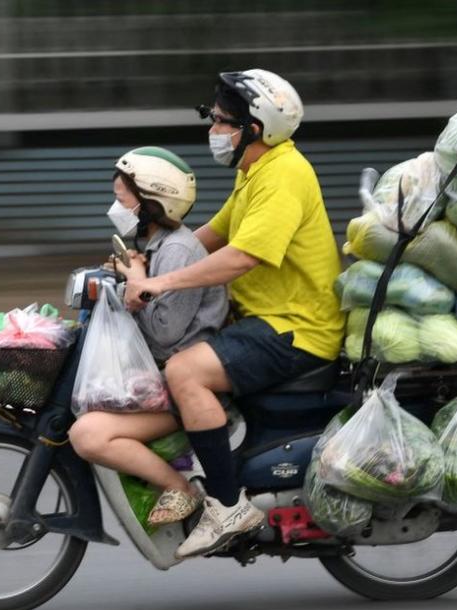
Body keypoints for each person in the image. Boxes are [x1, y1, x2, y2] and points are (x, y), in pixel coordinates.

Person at [124, 69, 346, 558]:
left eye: (223, 121)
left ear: (255, 128)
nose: (214, 130)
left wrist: (160, 283)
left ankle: (226, 506)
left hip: (297, 329)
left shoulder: (285, 175)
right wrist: (140, 267)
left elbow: (242, 256)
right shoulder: (256, 174)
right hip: (264, 320)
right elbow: (208, 238)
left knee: (185, 373)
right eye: (214, 119)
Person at [69, 146, 229, 527]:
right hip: (159, 380)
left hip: (180, 390)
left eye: (122, 198)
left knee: (88, 436)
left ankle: (185, 492)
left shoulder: (177, 252)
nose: (116, 207)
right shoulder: (155, 247)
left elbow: (164, 333)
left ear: (152, 202)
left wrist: (136, 282)